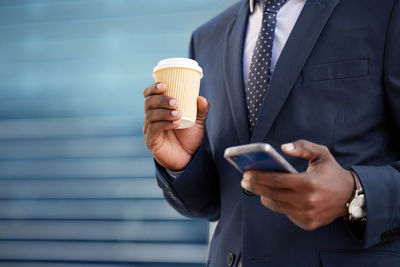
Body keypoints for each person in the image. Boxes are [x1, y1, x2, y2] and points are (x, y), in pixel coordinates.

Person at [143, 0, 400, 266]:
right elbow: (217, 205)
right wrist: (182, 163)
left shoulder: (385, 10)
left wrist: (355, 194)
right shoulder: (207, 37)